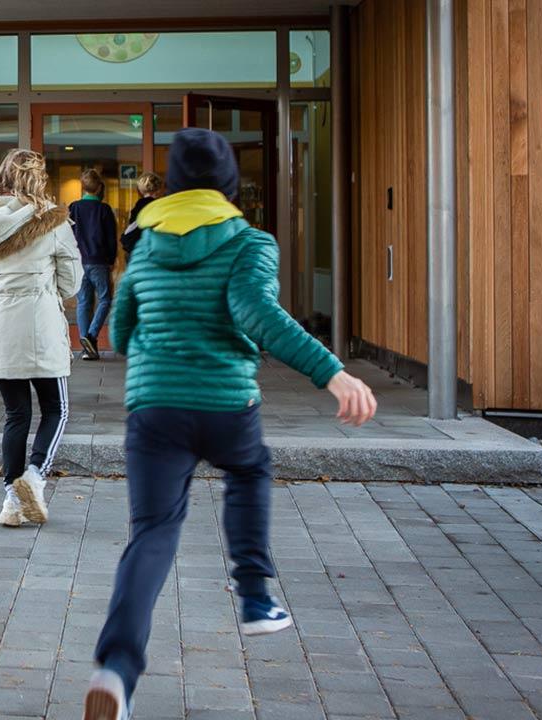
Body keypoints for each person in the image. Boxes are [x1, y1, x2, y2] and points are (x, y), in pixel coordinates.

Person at [82, 128, 377, 720]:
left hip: (155, 408)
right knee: (248, 469)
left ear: (173, 184)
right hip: (224, 402)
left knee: (153, 533)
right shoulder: (249, 242)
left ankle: (115, 672)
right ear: (227, 186)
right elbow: (256, 314)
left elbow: (120, 332)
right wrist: (332, 373)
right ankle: (255, 595)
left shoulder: (142, 246)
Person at [0, 149, 83, 528]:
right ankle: (34, 475)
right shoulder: (52, 220)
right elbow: (71, 283)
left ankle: (11, 503)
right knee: (56, 409)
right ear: (38, 178)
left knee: (16, 414)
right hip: (41, 323)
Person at [68, 168, 119, 361]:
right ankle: (90, 336)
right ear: (99, 188)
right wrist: (112, 259)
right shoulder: (104, 210)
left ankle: (86, 344)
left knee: (83, 302)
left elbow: (68, 233)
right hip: (99, 261)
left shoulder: (74, 207)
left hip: (79, 261)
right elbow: (110, 238)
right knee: (105, 299)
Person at [119, 172, 161, 257]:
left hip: (137, 247)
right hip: (150, 247)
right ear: (156, 188)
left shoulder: (140, 204)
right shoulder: (156, 205)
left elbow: (132, 224)